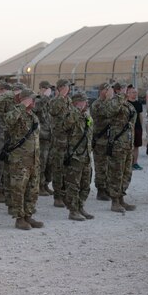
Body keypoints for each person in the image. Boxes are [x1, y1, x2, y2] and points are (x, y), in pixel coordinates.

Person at [3, 89, 43, 230]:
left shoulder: (33, 116)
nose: (34, 102)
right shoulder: (16, 112)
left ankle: (28, 216)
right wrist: (21, 105)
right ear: (25, 100)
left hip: (33, 160)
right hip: (19, 161)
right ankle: (19, 219)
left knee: (32, 190)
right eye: (32, 99)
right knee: (19, 189)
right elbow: (8, 121)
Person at [101, 83, 137, 213]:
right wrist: (121, 96)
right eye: (126, 89)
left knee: (126, 173)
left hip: (128, 144)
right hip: (117, 145)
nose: (129, 91)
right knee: (116, 172)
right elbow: (110, 111)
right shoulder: (115, 102)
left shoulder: (129, 105)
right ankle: (115, 201)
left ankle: (121, 197)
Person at [62, 93, 95, 221]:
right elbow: (66, 126)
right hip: (75, 156)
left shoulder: (86, 116)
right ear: (76, 103)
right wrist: (77, 111)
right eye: (84, 102)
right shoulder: (70, 114)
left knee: (86, 184)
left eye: (86, 101)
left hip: (86, 155)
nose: (86, 104)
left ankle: (81, 206)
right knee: (73, 185)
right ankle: (73, 210)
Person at [48, 79, 72, 207]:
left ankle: (65, 194)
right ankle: (57, 196)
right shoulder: (55, 101)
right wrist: (61, 96)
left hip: (68, 139)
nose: (69, 89)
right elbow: (54, 111)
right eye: (67, 87)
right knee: (58, 169)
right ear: (61, 87)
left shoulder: (68, 100)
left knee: (67, 169)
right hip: (58, 140)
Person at [90, 83, 112, 201]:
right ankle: (101, 190)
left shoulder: (109, 102)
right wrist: (109, 100)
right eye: (106, 89)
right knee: (101, 166)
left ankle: (108, 188)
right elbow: (107, 113)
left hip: (109, 140)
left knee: (109, 165)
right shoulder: (96, 104)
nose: (109, 91)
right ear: (101, 91)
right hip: (100, 140)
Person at [34, 80, 54, 195]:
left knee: (49, 163)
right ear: (41, 89)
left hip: (50, 136)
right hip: (41, 136)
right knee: (41, 161)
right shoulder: (37, 99)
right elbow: (35, 109)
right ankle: (39, 185)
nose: (49, 91)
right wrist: (45, 97)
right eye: (47, 88)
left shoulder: (49, 101)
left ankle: (46, 183)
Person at [126, 85, 144, 170]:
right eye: (133, 92)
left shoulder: (138, 104)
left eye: (136, 92)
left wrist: (141, 126)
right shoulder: (126, 104)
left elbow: (140, 115)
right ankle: (128, 163)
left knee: (136, 146)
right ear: (128, 93)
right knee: (128, 146)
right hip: (127, 129)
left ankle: (135, 163)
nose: (135, 94)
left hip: (137, 127)